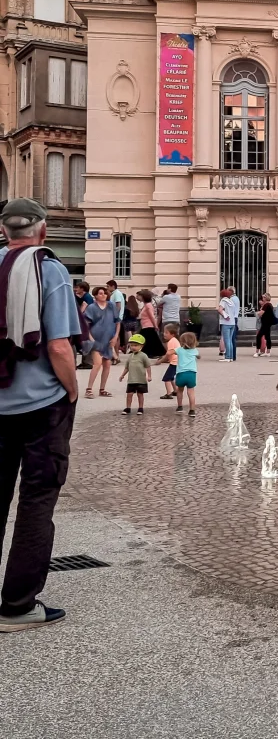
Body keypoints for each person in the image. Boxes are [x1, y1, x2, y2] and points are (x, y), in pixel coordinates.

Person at [0, 199, 80, 633]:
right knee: (36, 500)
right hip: (39, 406)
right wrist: (71, 389)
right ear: (43, 231)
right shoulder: (50, 270)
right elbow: (59, 346)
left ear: (5, 231)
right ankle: (16, 605)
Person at [84, 286, 120, 397]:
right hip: (96, 339)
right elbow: (86, 324)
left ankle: (102, 389)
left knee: (107, 364)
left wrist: (115, 337)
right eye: (100, 293)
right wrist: (90, 338)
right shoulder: (91, 307)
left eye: (105, 293)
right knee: (97, 363)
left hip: (108, 339)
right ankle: (89, 389)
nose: (103, 295)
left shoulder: (111, 306)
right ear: (95, 295)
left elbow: (117, 321)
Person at [119, 334, 152, 415]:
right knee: (129, 394)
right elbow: (127, 367)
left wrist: (149, 376)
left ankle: (140, 408)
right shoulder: (130, 356)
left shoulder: (143, 356)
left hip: (141, 380)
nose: (133, 347)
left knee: (140, 394)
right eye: (131, 345)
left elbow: (148, 366)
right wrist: (122, 375)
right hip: (131, 380)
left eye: (136, 345)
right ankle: (128, 407)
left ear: (141, 346)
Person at [175, 331, 199, 417]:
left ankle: (180, 406)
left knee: (180, 390)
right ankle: (192, 410)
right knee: (191, 392)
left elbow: (171, 352)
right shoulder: (195, 350)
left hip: (181, 373)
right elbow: (199, 356)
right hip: (191, 374)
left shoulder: (179, 350)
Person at [137, 289, 165, 358]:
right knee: (151, 340)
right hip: (145, 325)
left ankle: (153, 353)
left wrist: (155, 325)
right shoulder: (146, 305)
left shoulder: (148, 305)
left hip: (148, 325)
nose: (137, 297)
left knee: (147, 340)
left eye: (139, 296)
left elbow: (151, 316)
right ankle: (151, 353)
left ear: (143, 297)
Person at [156, 322, 180, 399]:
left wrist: (160, 361)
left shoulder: (171, 342)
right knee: (171, 377)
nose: (164, 334)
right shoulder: (174, 340)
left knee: (166, 378)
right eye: (164, 332)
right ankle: (176, 390)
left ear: (172, 334)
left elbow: (168, 354)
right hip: (177, 362)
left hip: (174, 363)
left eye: (166, 333)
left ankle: (168, 393)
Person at [106, 279, 125, 362]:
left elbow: (118, 305)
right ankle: (116, 355)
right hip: (116, 317)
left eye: (108, 286)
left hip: (115, 317)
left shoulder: (116, 294)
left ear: (113, 286)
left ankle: (116, 355)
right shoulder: (115, 293)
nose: (107, 288)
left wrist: (115, 316)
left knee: (115, 337)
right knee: (116, 336)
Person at [254, 293, 275, 357]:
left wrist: (257, 313)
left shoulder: (266, 305)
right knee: (267, 337)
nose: (262, 298)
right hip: (268, 323)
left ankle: (257, 351)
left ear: (266, 298)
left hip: (265, 323)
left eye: (263, 297)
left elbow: (260, 314)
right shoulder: (270, 305)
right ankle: (268, 352)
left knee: (259, 336)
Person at [218, 288, 235, 364]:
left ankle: (227, 357)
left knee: (226, 340)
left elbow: (220, 310)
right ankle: (231, 357)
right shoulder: (231, 301)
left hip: (226, 323)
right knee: (230, 340)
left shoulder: (223, 301)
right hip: (232, 322)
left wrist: (225, 316)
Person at [228, 285, 240, 361]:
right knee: (232, 338)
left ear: (231, 292)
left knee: (231, 338)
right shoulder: (236, 298)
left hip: (232, 318)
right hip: (235, 318)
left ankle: (232, 355)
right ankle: (233, 355)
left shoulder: (231, 299)